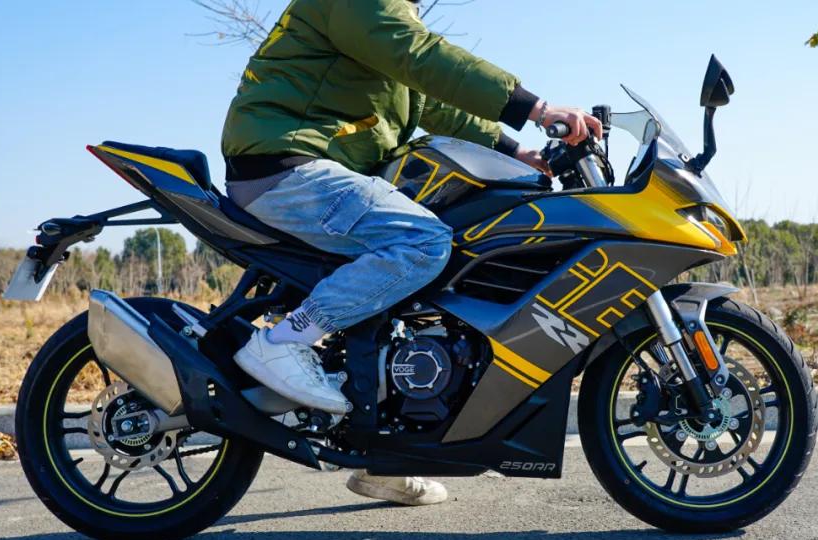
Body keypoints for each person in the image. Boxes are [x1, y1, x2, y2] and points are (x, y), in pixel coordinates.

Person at [221, 0, 601, 506]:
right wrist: (535, 108)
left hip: (318, 163)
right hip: (288, 164)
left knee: (420, 279)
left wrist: (516, 151)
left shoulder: (387, 16)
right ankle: (285, 339)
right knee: (422, 242)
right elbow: (420, 57)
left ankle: (386, 455)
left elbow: (426, 96)